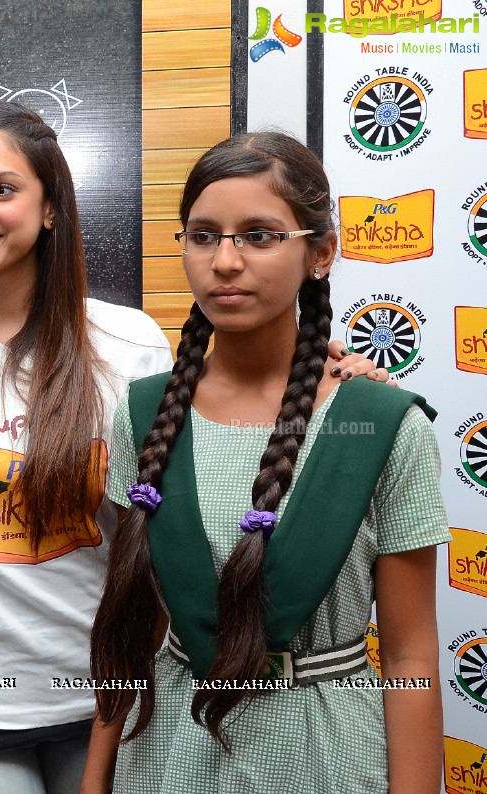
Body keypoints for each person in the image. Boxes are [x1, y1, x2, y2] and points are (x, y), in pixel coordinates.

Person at [0, 103, 388, 794]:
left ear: (51, 206)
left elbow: (172, 516)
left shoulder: (128, 345)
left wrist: (335, 379)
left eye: (0, 188)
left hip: (110, 701)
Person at [85, 132, 447, 794]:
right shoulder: (141, 414)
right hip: (170, 749)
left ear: (321, 252)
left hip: (326, 750)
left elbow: (410, 656)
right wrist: (95, 780)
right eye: (203, 235)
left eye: (258, 235)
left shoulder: (383, 427)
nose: (225, 261)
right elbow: (134, 626)